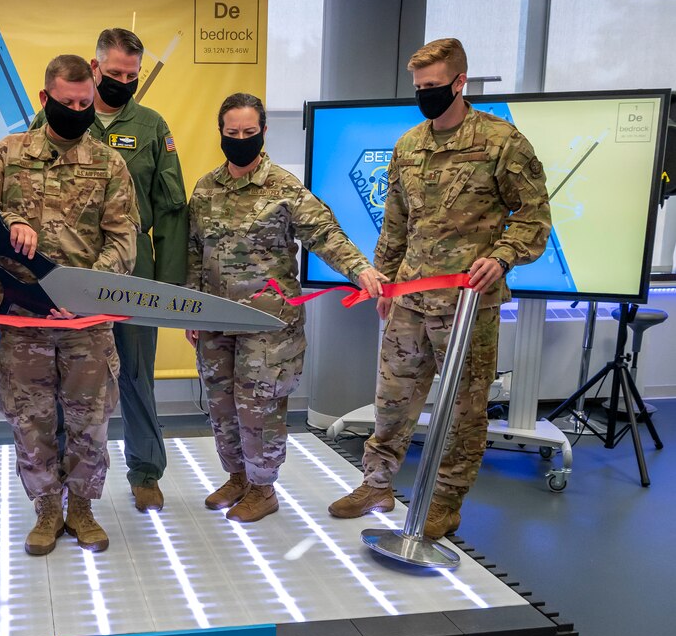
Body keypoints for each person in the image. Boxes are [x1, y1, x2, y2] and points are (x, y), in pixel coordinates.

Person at [328, 38, 551, 538]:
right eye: (419, 87)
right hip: (408, 296)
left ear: (459, 82)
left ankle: (446, 501)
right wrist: (382, 285)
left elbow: (534, 219)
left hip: (468, 304)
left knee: (464, 406)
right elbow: (396, 223)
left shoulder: (501, 141)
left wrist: (502, 256)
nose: (425, 94)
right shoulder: (409, 145)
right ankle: (377, 484)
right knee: (392, 398)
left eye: (434, 86)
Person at [0, 54, 139, 556]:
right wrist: (8, 221)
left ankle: (82, 509)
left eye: (86, 103)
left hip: (86, 320)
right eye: (67, 102)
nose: (78, 110)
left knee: (90, 420)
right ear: (45, 99)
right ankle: (45, 510)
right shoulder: (7, 155)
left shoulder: (109, 163)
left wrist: (84, 290)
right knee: (30, 418)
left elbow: (123, 238)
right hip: (23, 317)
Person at [185, 93, 386, 523]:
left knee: (258, 406)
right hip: (216, 319)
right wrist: (191, 311)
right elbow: (193, 252)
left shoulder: (284, 188)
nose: (240, 139)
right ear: (220, 131)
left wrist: (360, 270)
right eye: (232, 132)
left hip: (268, 324)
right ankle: (237, 476)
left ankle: (263, 488)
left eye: (249, 133)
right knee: (221, 404)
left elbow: (326, 234)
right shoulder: (204, 189)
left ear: (263, 131)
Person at [30, 28, 188, 513]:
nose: (123, 81)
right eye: (114, 72)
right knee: (63, 375)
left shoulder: (151, 125)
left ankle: (145, 470)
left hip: (131, 271)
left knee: (136, 373)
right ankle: (57, 480)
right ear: (94, 68)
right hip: (66, 272)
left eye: (131, 75)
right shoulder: (55, 116)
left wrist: (172, 286)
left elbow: (171, 207)